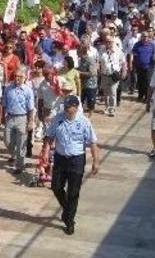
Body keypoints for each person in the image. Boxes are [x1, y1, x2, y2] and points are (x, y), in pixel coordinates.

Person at [45, 96, 100, 235]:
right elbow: (50, 137)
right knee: (56, 187)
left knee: (73, 193)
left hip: (76, 160)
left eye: (69, 106)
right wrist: (46, 152)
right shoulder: (58, 119)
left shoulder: (84, 122)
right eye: (65, 106)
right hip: (60, 158)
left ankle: (70, 221)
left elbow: (93, 142)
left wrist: (96, 161)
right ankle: (68, 210)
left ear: (76, 107)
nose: (66, 109)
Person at [2, 66, 36, 175]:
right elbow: (4, 104)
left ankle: (19, 165)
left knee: (21, 143)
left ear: (24, 78)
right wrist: (3, 117)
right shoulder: (8, 88)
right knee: (7, 140)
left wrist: (30, 121)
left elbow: (31, 108)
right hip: (10, 117)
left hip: (22, 118)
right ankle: (14, 155)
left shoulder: (28, 91)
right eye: (16, 76)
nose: (17, 78)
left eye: (20, 77)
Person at [99, 37, 126, 116]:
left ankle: (112, 109)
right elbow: (98, 61)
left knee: (112, 92)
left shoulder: (118, 51)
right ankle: (107, 107)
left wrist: (124, 71)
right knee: (105, 92)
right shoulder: (101, 50)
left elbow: (123, 62)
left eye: (110, 42)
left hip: (114, 75)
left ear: (113, 42)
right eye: (107, 42)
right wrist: (98, 69)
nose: (108, 43)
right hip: (104, 75)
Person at [130, 30, 155, 105]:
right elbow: (133, 54)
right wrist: (132, 64)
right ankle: (140, 95)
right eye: (144, 36)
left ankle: (147, 97)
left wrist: (154, 63)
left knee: (147, 82)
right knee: (140, 81)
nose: (145, 38)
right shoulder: (137, 45)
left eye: (147, 36)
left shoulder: (151, 45)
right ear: (141, 37)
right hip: (139, 66)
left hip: (149, 67)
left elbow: (153, 55)